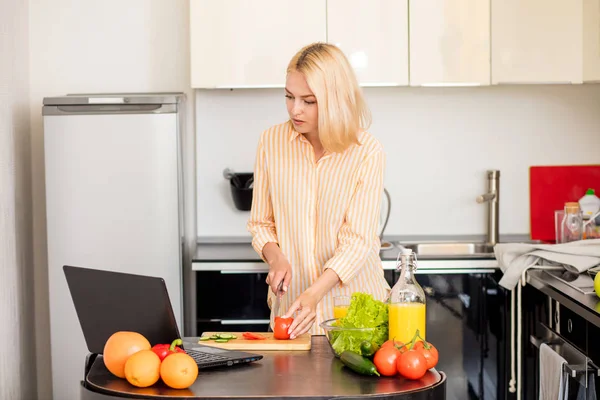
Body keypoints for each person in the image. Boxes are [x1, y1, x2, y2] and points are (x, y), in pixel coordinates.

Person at [247, 42, 390, 339]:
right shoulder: (270, 143)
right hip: (292, 314)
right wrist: (276, 258)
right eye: (289, 97)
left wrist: (315, 294)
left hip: (354, 314)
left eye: (308, 101)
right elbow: (261, 223)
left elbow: (359, 241)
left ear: (335, 100)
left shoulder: (367, 151)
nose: (295, 110)